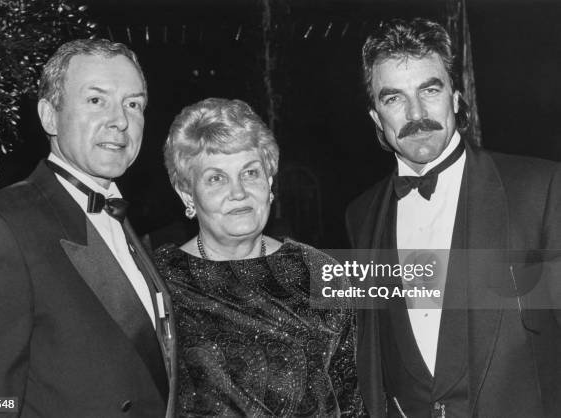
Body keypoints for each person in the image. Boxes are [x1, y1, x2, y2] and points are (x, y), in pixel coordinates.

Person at [346, 18, 561, 418]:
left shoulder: (541, 189)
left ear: (457, 98)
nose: (415, 113)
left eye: (430, 90)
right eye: (393, 98)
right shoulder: (360, 216)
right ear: (377, 118)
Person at [0, 39, 176, 417]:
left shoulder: (122, 221)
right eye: (96, 100)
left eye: (133, 104)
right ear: (49, 116)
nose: (120, 120)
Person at [152, 98, 366, 417]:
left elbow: (351, 399)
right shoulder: (159, 280)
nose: (238, 192)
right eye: (216, 178)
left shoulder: (321, 272)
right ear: (187, 193)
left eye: (250, 173)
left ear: (269, 181)